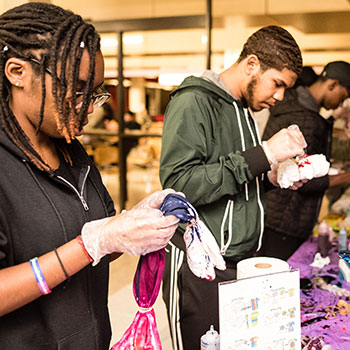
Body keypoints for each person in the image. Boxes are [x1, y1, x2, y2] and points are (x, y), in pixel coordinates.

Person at [0, 3, 180, 349]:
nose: (88, 108)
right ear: (17, 72)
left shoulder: (72, 152)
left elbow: (99, 242)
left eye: (95, 92)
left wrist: (128, 229)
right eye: (77, 89)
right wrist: (88, 245)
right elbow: (85, 247)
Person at [159, 25, 307, 350]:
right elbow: (179, 185)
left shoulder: (243, 110)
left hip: (239, 263)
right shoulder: (194, 101)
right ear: (252, 64)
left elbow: (230, 179)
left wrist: (269, 176)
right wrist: (264, 154)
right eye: (277, 84)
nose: (280, 96)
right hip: (199, 265)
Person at [258, 61, 350, 260]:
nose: (341, 104)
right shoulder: (307, 119)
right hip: (286, 220)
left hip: (271, 214)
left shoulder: (293, 107)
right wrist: (347, 177)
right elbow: (304, 179)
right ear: (332, 84)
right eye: (342, 97)